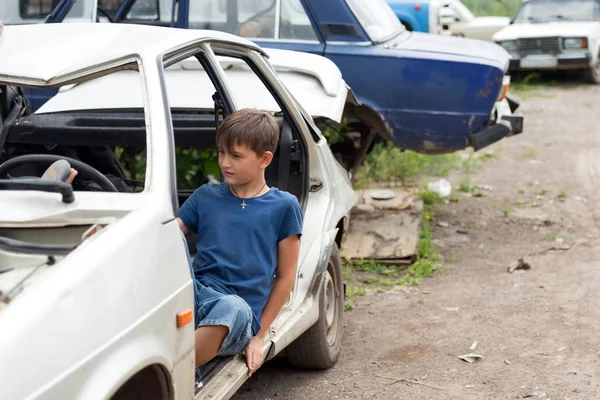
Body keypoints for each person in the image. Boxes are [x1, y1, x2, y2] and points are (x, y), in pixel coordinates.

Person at [176, 108, 302, 388]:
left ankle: (176, 372)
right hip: (196, 295)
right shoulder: (206, 195)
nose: (225, 163)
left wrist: (258, 337)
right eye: (221, 153)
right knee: (170, 242)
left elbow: (285, 277)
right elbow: (169, 234)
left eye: (236, 156)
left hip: (240, 313)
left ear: (264, 159)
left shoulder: (283, 206)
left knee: (232, 308)